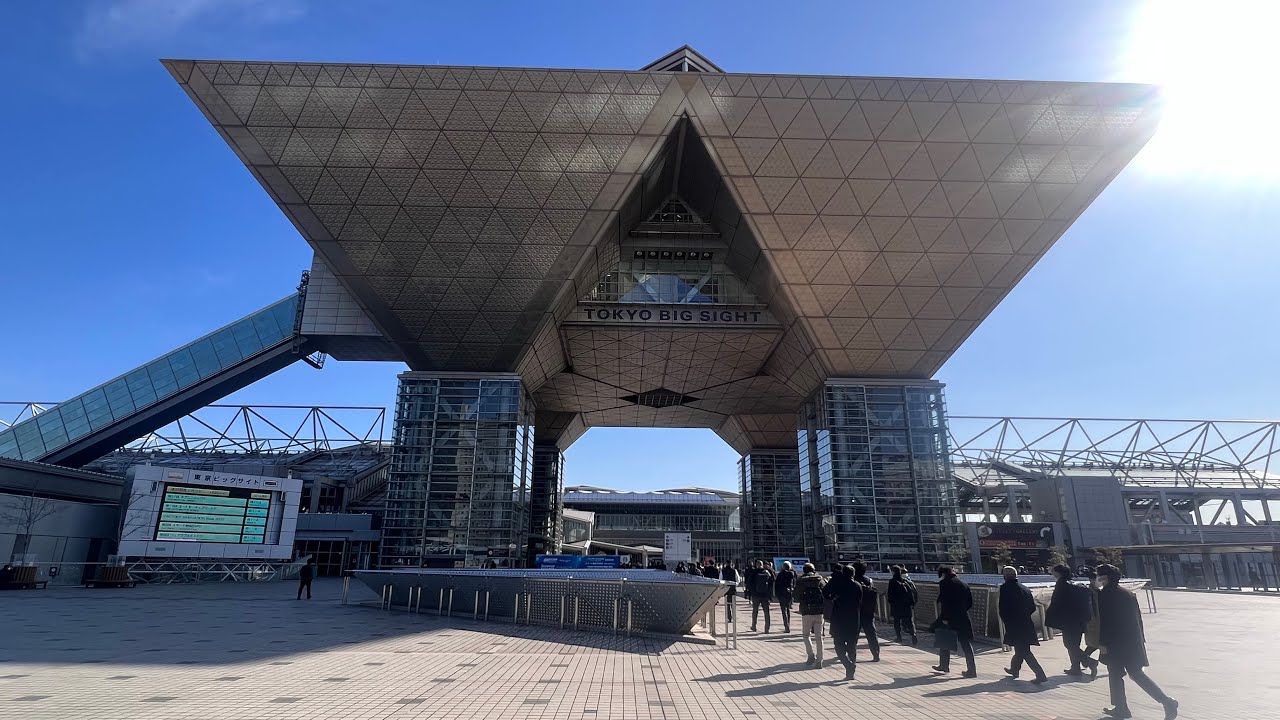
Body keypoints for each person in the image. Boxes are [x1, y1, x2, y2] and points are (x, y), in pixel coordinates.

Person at [1096, 564, 1179, 720]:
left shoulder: (1105, 595)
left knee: (1119, 675)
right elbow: (1137, 619)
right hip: (1132, 642)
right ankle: (1123, 707)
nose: (1097, 579)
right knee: (1131, 674)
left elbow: (1106, 622)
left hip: (1115, 643)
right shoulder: (1127, 593)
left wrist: (1102, 643)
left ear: (1105, 577)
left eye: (1099, 576)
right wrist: (1141, 640)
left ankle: (1165, 702)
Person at [999, 566, 1048, 684]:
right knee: (1021, 649)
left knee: (1024, 651)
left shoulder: (1005, 588)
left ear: (1005, 576)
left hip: (1014, 624)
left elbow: (1003, 608)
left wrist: (1006, 620)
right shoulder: (1025, 588)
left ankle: (1040, 674)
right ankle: (1014, 670)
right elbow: (1032, 607)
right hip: (1026, 623)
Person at [1046, 564, 1096, 677]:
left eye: (1053, 571)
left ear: (1058, 572)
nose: (1052, 573)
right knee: (1074, 645)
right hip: (1079, 620)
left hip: (1068, 621)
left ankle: (1091, 662)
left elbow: (1056, 602)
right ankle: (1075, 668)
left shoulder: (1061, 584)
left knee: (1069, 645)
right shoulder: (1074, 583)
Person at [930, 565, 977, 677]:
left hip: (950, 617)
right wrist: (961, 610)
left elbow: (945, 602)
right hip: (963, 617)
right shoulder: (964, 584)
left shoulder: (945, 583)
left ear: (943, 574)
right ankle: (972, 670)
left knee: (944, 639)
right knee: (965, 643)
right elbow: (969, 603)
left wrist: (945, 618)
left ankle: (944, 665)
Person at [823, 564, 863, 680]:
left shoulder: (837, 583)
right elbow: (860, 601)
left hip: (839, 618)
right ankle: (850, 672)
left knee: (838, 645)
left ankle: (847, 664)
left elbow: (825, 593)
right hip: (854, 618)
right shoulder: (858, 585)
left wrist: (833, 597)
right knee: (852, 646)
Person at [794, 563, 827, 667]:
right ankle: (820, 660)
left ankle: (811, 655)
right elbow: (826, 593)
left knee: (806, 635)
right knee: (819, 636)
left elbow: (796, 596)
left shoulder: (801, 580)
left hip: (806, 611)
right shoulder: (820, 579)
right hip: (819, 611)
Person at [850, 560, 880, 661]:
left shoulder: (853, 582)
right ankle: (876, 653)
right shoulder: (869, 581)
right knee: (871, 633)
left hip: (856, 611)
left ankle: (852, 654)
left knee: (853, 635)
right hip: (868, 610)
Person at [886, 564, 919, 645]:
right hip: (906, 605)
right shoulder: (905, 581)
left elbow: (890, 594)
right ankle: (913, 634)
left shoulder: (892, 581)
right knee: (909, 621)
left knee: (897, 621)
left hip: (896, 605)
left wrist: (890, 601)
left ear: (893, 572)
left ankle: (899, 637)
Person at [744, 560, 775, 632]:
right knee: (766, 612)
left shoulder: (754, 572)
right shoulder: (767, 572)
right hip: (765, 595)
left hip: (756, 595)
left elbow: (749, 583)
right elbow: (772, 581)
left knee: (755, 611)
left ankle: (754, 626)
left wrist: (750, 593)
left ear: (756, 565)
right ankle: (767, 628)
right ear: (762, 565)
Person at [775, 560, 797, 633]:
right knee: (787, 610)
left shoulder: (780, 574)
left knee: (783, 610)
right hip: (789, 594)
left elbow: (777, 585)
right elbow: (795, 583)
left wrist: (776, 594)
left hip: (781, 594)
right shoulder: (792, 574)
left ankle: (786, 626)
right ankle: (788, 624)